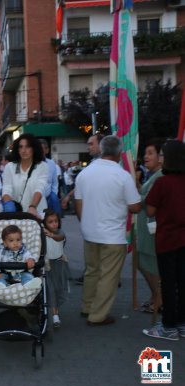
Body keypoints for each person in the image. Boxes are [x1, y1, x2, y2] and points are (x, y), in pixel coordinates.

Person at [74, 135, 141, 326]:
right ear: (119, 153)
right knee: (108, 277)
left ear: (102, 150)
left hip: (90, 231)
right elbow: (135, 207)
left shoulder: (85, 173)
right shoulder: (123, 176)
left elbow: (78, 204)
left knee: (92, 272)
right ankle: (98, 315)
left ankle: (87, 307)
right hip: (112, 235)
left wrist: (85, 223)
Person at [143, 140, 185, 341]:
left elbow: (150, 210)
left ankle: (169, 326)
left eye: (161, 154)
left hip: (167, 240)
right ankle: (183, 324)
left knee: (168, 283)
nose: (160, 158)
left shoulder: (162, 183)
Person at [135, 139, 164, 314]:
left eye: (150, 153)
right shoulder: (152, 176)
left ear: (160, 157)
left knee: (151, 265)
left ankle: (159, 298)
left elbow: (147, 201)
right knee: (142, 263)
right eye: (145, 153)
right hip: (146, 229)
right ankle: (156, 296)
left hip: (152, 229)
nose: (146, 157)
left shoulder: (160, 176)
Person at [1, 134, 48, 217]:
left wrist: (33, 207)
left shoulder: (42, 166)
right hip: (16, 214)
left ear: (34, 149)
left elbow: (40, 188)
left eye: (27, 147)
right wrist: (8, 205)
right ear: (17, 149)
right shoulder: (10, 167)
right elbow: (6, 189)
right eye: (21, 147)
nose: (23, 150)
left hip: (36, 213)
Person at [0, 224, 41, 290]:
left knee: (27, 276)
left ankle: (29, 284)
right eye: (11, 240)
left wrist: (30, 260)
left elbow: (28, 255)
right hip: (5, 273)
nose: (15, 243)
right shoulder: (1, 251)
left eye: (18, 240)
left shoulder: (23, 250)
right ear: (5, 243)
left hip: (21, 273)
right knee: (0, 277)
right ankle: (0, 285)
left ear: (21, 240)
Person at [42, 209, 70, 328]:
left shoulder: (60, 233)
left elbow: (60, 237)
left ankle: (55, 310)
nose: (54, 224)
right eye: (50, 222)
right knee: (50, 289)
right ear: (44, 224)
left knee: (59, 289)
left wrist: (52, 235)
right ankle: (55, 315)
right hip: (47, 266)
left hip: (59, 265)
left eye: (56, 221)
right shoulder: (42, 235)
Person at [40, 140, 61, 216]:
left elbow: (55, 182)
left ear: (47, 150)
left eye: (43, 148)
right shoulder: (32, 163)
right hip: (36, 198)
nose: (41, 151)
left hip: (49, 196)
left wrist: (53, 194)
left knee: (53, 217)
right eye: (39, 148)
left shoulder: (51, 163)